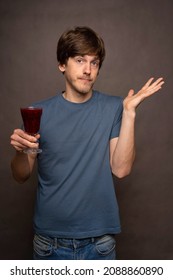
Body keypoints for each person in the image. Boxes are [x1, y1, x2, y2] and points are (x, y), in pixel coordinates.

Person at [10, 26, 164, 260]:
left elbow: (121, 170)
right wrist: (23, 151)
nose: (88, 70)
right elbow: (21, 175)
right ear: (62, 64)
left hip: (99, 244)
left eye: (95, 62)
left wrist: (129, 113)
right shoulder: (39, 112)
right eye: (80, 60)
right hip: (49, 243)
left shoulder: (115, 108)